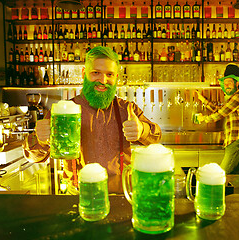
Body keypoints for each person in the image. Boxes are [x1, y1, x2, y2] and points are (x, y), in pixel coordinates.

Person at [23, 46, 161, 193]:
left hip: (121, 193)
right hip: (79, 194)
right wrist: (42, 140)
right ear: (84, 73)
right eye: (96, 73)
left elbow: (156, 137)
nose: (103, 80)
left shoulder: (126, 109)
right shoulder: (63, 111)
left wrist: (142, 130)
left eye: (110, 74)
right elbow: (32, 156)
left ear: (116, 77)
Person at [193, 64, 239, 174]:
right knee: (232, 176)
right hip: (233, 141)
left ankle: (216, 191)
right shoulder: (234, 98)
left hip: (236, 141)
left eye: (229, 82)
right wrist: (203, 100)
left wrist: (203, 119)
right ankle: (232, 192)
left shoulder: (238, 97)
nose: (226, 85)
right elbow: (220, 109)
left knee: (222, 175)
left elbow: (220, 114)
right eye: (225, 82)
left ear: (237, 83)